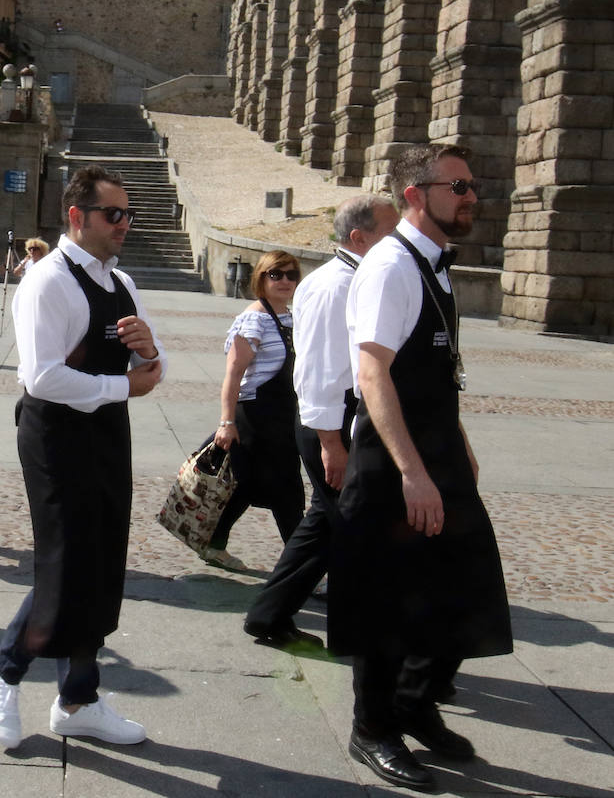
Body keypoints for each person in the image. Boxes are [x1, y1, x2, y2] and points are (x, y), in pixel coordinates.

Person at [332, 144, 510, 792]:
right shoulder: (391, 267)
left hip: (436, 452)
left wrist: (457, 443)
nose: (470, 195)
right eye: (456, 185)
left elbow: (436, 373)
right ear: (415, 194)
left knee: (464, 587)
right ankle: (372, 726)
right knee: (386, 599)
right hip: (393, 461)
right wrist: (411, 471)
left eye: (471, 184)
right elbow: (372, 370)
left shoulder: (433, 265)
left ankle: (414, 701)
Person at [0, 165, 165, 749]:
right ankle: (2, 668)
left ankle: (78, 698)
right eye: (115, 214)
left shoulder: (121, 282)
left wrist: (150, 356)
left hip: (106, 432)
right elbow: (40, 376)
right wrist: (121, 388)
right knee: (66, 563)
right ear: (77, 217)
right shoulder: (47, 281)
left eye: (129, 214)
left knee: (104, 562)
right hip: (56, 436)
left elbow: (146, 371)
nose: (124, 224)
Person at [242, 197, 398, 648]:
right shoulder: (336, 287)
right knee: (348, 524)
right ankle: (348, 630)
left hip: (339, 419)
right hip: (332, 420)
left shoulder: (357, 279)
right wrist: (331, 443)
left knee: (326, 523)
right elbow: (321, 371)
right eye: (391, 229)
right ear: (359, 236)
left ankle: (268, 614)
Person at [201, 250, 304, 571]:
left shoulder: (293, 316)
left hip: (284, 416)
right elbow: (233, 374)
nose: (285, 281)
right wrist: (226, 421)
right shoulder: (253, 319)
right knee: (288, 492)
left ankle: (214, 544)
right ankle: (303, 568)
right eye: (276, 274)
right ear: (261, 278)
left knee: (246, 485)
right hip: (255, 417)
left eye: (291, 275)